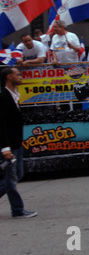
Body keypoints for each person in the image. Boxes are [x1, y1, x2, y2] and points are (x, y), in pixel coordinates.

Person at [0, 67, 38, 219]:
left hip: (17, 143)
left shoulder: (14, 95)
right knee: (11, 178)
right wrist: (5, 148)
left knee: (17, 174)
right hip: (9, 146)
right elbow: (1, 124)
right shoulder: (3, 96)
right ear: (9, 77)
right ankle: (17, 209)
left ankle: (17, 209)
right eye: (18, 74)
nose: (21, 76)